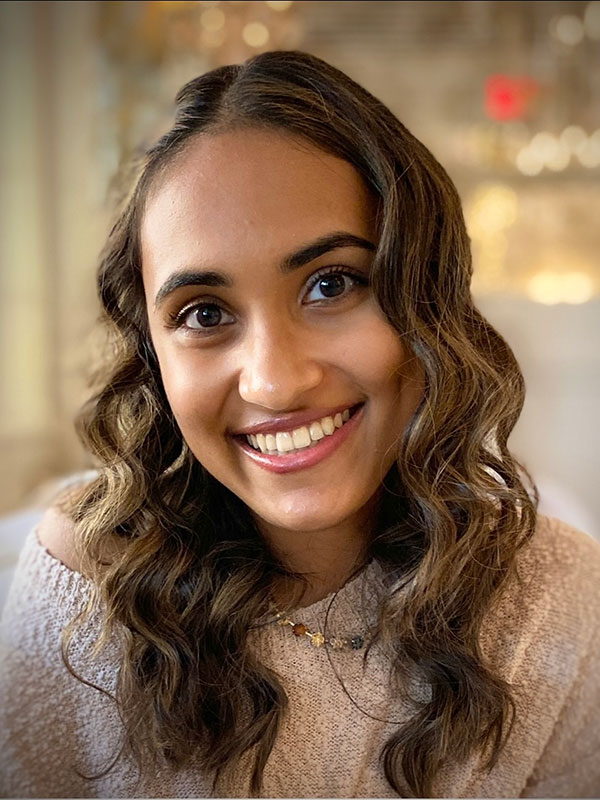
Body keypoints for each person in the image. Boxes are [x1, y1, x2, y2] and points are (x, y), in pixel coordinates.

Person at [1, 50, 599, 799]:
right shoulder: (85, 590)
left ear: (425, 298)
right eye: (205, 314)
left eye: (332, 284)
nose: (275, 381)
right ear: (153, 358)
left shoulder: (557, 603)